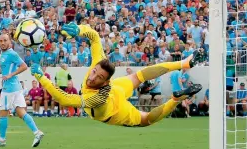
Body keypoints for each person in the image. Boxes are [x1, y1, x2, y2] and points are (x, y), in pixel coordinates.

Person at [31, 23, 203, 127]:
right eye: (93, 72)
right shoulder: (98, 63)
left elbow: (65, 99)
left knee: (147, 119)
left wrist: (42, 78)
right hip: (116, 88)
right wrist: (79, 29)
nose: (92, 77)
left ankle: (175, 99)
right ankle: (184, 63)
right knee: (140, 75)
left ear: (105, 82)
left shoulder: (96, 98)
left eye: (98, 77)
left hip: (116, 111)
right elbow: (95, 36)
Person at [0, 34, 43, 147]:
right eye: (1, 41)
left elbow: (24, 66)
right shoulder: (5, 54)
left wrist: (11, 75)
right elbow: (3, 68)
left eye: (5, 40)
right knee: (21, 112)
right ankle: (37, 132)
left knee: (2, 114)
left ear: (10, 42)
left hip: (8, 89)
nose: (3, 43)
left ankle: (1, 140)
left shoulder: (11, 53)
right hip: (16, 88)